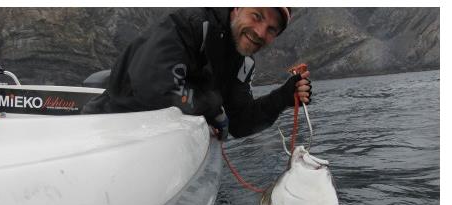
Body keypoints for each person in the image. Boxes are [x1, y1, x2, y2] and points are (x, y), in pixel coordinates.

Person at [82, 7, 312, 140]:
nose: (260, 32)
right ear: (237, 8)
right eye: (257, 16)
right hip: (108, 130)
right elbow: (155, 87)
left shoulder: (243, 62)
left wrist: (283, 96)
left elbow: (241, 123)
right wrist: (212, 108)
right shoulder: (187, 23)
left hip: (168, 145)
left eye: (272, 29)